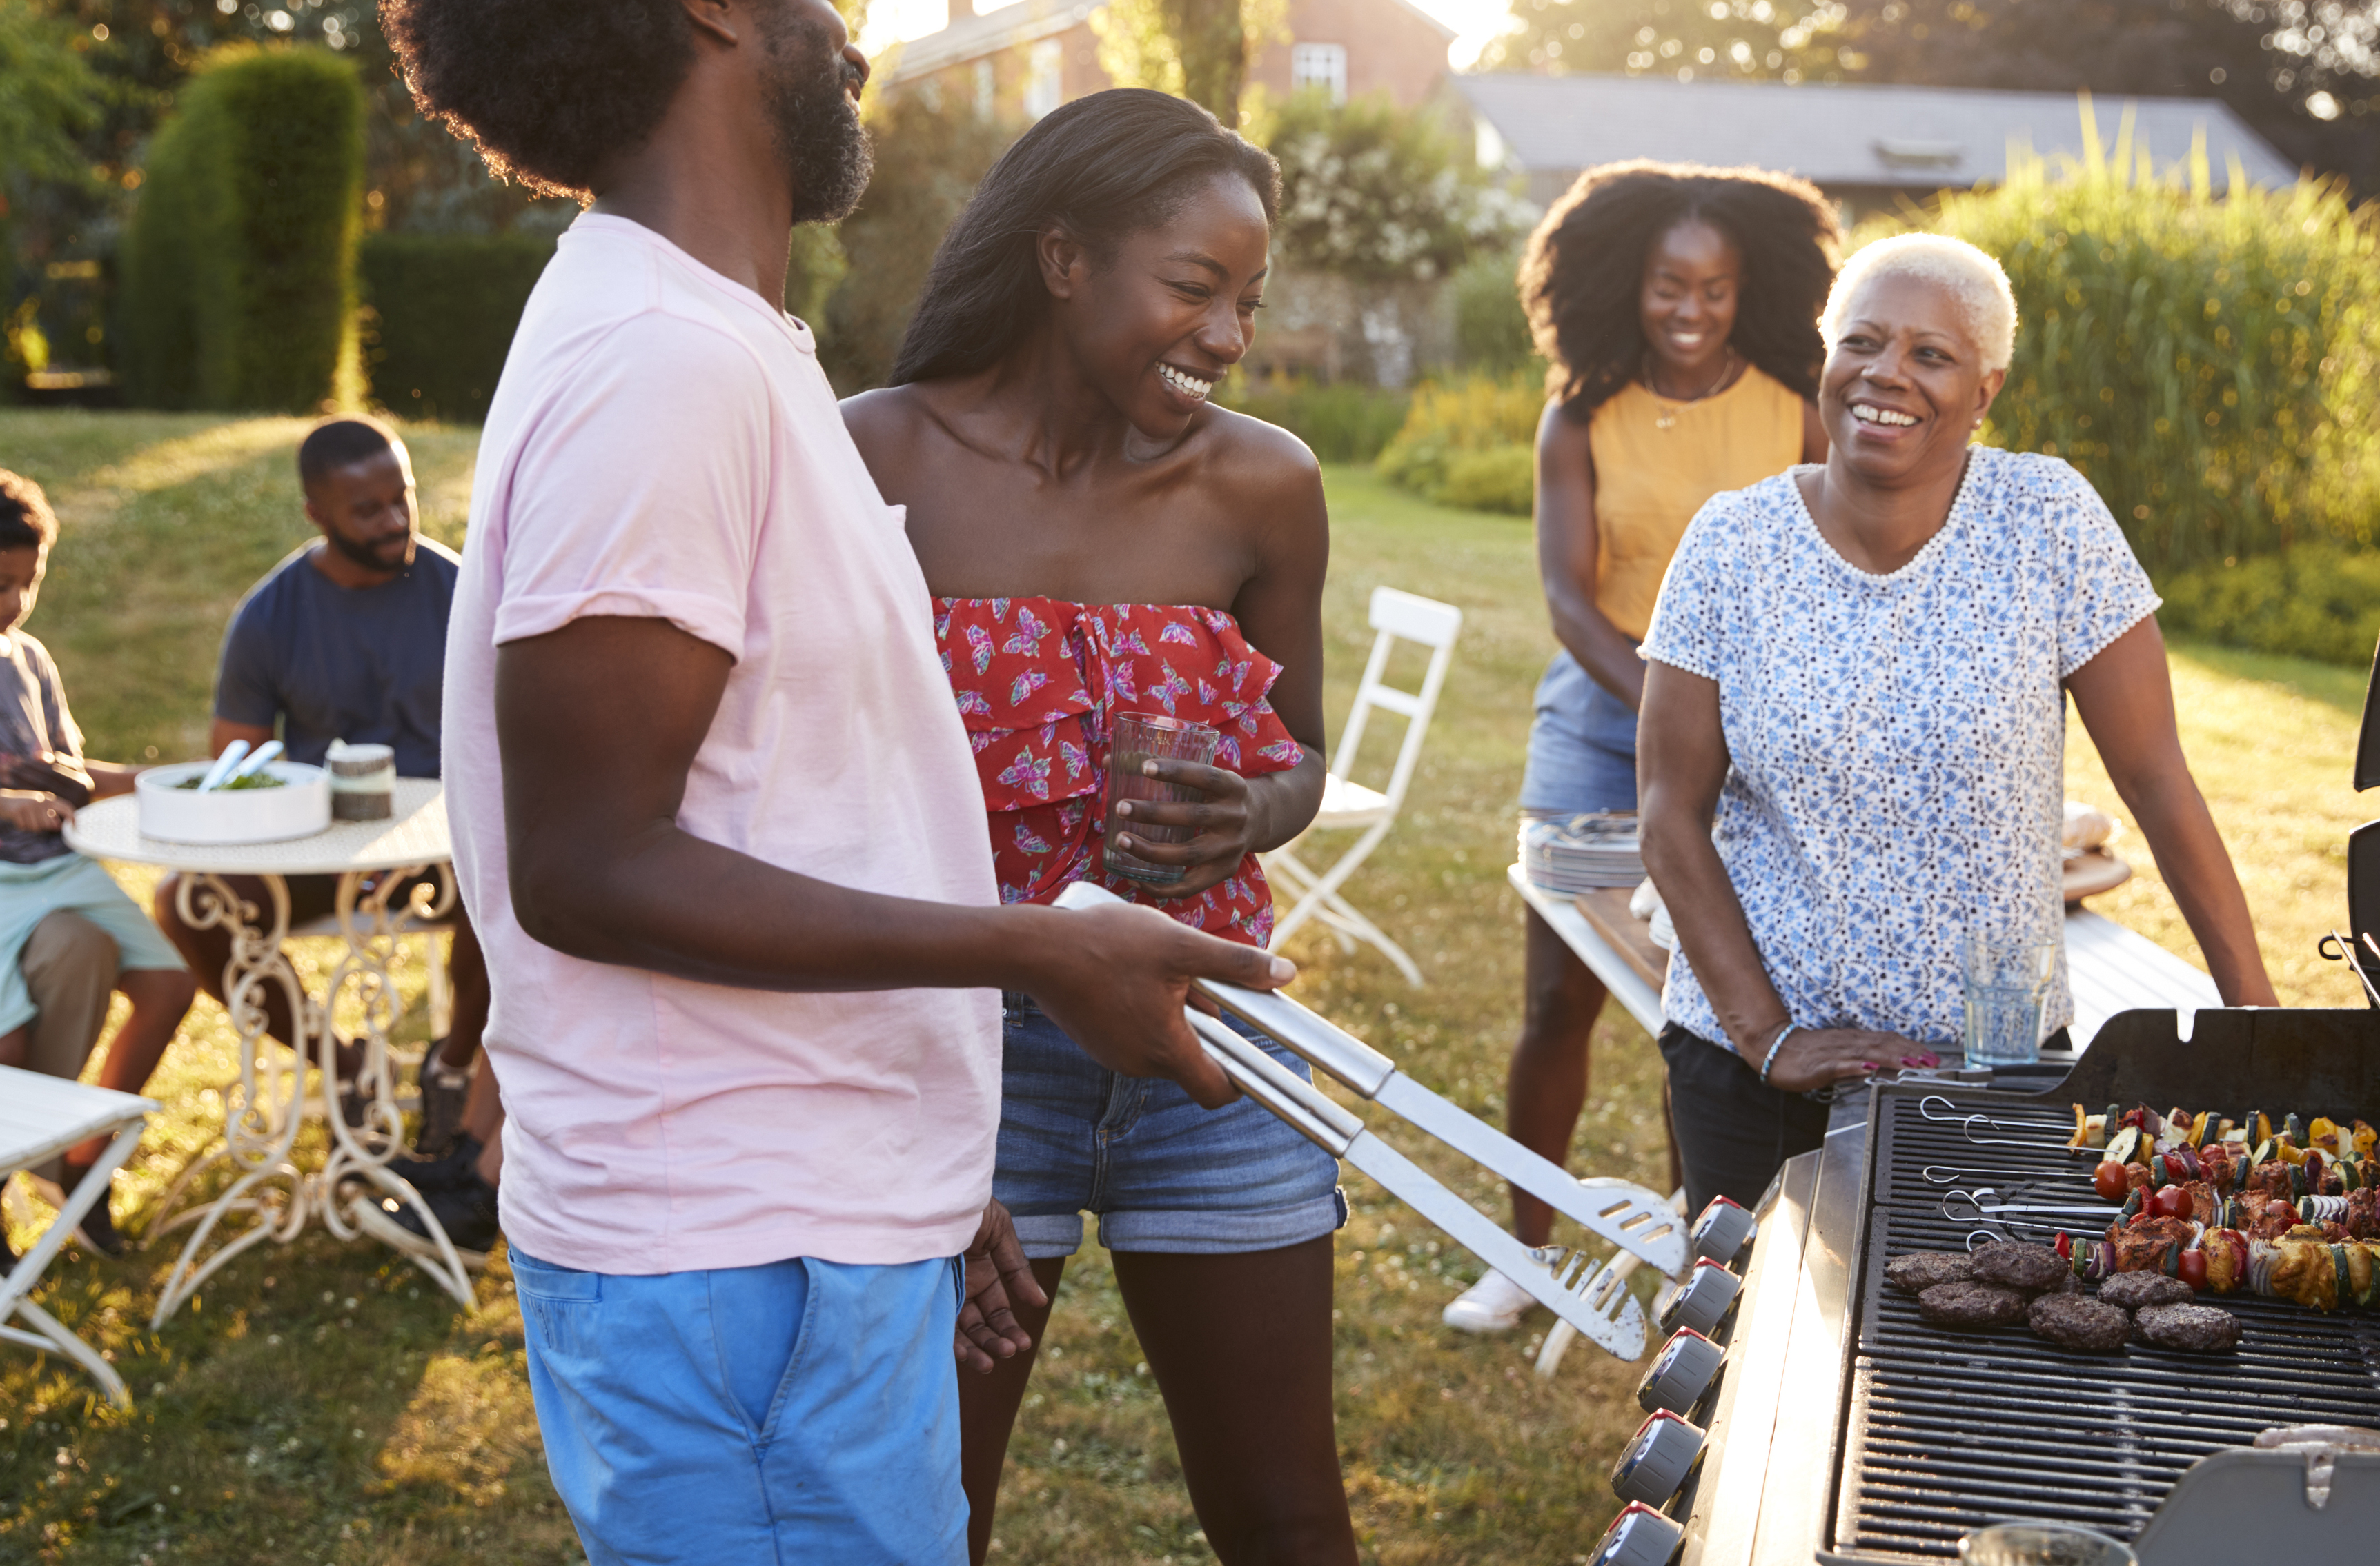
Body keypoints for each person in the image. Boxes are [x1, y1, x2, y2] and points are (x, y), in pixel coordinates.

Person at [378, 0, 1290, 1559]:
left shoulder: (736, 342)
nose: (843, 22)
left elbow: (798, 802)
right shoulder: (661, 361)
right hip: (732, 1260)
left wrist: (923, 1169)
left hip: (807, 1220)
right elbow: (589, 862)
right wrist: (1043, 947)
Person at [845, 88, 1353, 1566]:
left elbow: (1306, 757)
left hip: (1213, 1042)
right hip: (957, 1055)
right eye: (1194, 287)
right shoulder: (870, 459)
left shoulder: (1266, 482)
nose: (1227, 338)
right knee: (931, 1514)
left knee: (1289, 1520)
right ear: (1064, 260)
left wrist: (1250, 807)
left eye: (1248, 301)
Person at [1637, 232, 2279, 1215]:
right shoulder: (1733, 542)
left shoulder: (2048, 522)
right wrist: (1768, 1036)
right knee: (1752, 1353)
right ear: (1827, 355)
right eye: (1863, 342)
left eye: (1930, 355)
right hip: (1754, 1073)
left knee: (1972, 1336)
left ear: (1985, 390)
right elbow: (1666, 813)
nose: (1885, 374)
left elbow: (2156, 780)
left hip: (1993, 1063)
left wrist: (2258, 1029)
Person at [1444, 163, 1839, 1335]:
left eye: (1716, 288)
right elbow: (1569, 602)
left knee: (1706, 1008)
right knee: (1556, 1001)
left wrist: (1746, 726)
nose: (1692, 308)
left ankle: (1699, 1269)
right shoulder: (1577, 415)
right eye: (1671, 284)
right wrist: (1681, 712)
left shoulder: (1796, 404)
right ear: (1627, 285)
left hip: (1757, 751)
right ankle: (1517, 1255)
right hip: (1596, 736)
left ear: (1745, 290)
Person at [150, 417, 501, 1250]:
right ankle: (340, 1062)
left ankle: (449, 1065)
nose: (393, 520)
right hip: (307, 850)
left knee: (511, 886)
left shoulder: (462, 593)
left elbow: (506, 741)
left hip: (447, 846)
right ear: (317, 512)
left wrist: (417, 845)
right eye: (367, 508)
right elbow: (234, 765)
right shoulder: (271, 616)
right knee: (188, 903)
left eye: (401, 497)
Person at [0, 464, 196, 1307]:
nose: (17, 601)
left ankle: (77, 1157)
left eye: (30, 582)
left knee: (169, 978)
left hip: (59, 867)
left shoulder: (32, 657)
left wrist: (156, 779)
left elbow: (64, 769)